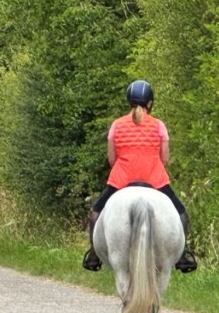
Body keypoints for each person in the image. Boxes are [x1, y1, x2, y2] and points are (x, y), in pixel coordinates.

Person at [83, 80, 198, 273]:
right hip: (155, 178)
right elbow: (165, 158)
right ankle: (183, 254)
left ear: (129, 101)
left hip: (121, 179)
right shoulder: (159, 126)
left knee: (95, 212)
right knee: (181, 213)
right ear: (150, 103)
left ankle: (94, 253)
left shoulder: (116, 126)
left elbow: (112, 159)